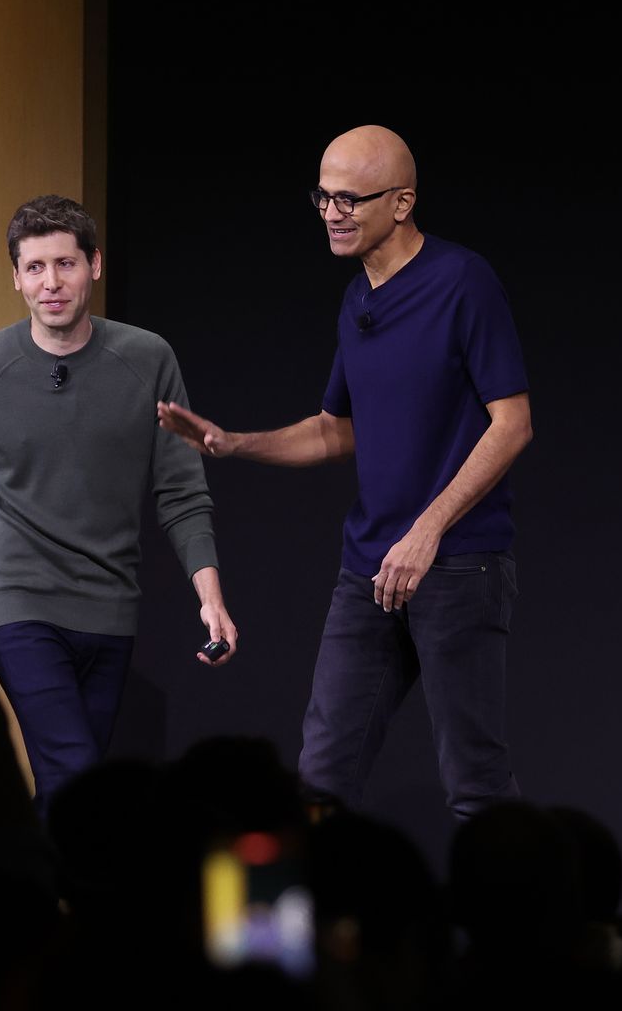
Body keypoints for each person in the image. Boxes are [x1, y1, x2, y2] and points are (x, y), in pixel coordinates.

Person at [158, 126, 532, 819]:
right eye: (323, 197)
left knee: (475, 783)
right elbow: (336, 430)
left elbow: (512, 423)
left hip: (457, 564)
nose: (331, 213)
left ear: (402, 202)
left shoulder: (462, 281)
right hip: (369, 569)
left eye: (349, 199)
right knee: (321, 778)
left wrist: (426, 532)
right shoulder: (357, 298)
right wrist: (233, 443)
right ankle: (317, 895)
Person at [0, 195, 239, 817]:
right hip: (17, 601)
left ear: (94, 264)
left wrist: (211, 597)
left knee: (74, 795)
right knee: (75, 776)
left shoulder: (147, 359)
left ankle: (36, 878)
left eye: (64, 264)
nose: (51, 283)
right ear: (15, 278)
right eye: (34, 268)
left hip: (110, 605)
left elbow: (181, 489)